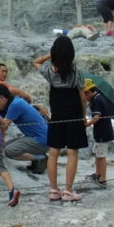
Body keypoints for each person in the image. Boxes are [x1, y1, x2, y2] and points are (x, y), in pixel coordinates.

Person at [34, 35, 88, 202]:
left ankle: (53, 190)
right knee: (72, 153)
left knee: (53, 152)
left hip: (57, 116)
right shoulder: (77, 73)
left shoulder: (49, 72)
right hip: (73, 116)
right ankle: (68, 191)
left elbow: (36, 62)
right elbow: (83, 98)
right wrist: (83, 116)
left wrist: (52, 55)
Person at [0, 83, 49, 174]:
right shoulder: (15, 101)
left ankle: (40, 158)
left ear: (2, 98)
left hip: (42, 140)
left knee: (9, 151)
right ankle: (37, 159)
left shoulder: (15, 105)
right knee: (2, 147)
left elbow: (3, 126)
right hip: (36, 137)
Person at [84, 80, 114, 188]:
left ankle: (102, 179)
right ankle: (97, 174)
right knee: (98, 154)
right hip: (100, 132)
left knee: (101, 156)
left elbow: (97, 117)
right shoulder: (97, 98)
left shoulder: (97, 100)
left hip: (103, 132)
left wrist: (87, 124)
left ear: (88, 92)